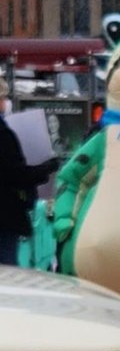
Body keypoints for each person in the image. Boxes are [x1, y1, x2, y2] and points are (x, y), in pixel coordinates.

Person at [0, 80, 59, 266]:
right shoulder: (2, 134)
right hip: (3, 217)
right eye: (3, 97)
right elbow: (14, 175)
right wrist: (45, 169)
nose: (5, 102)